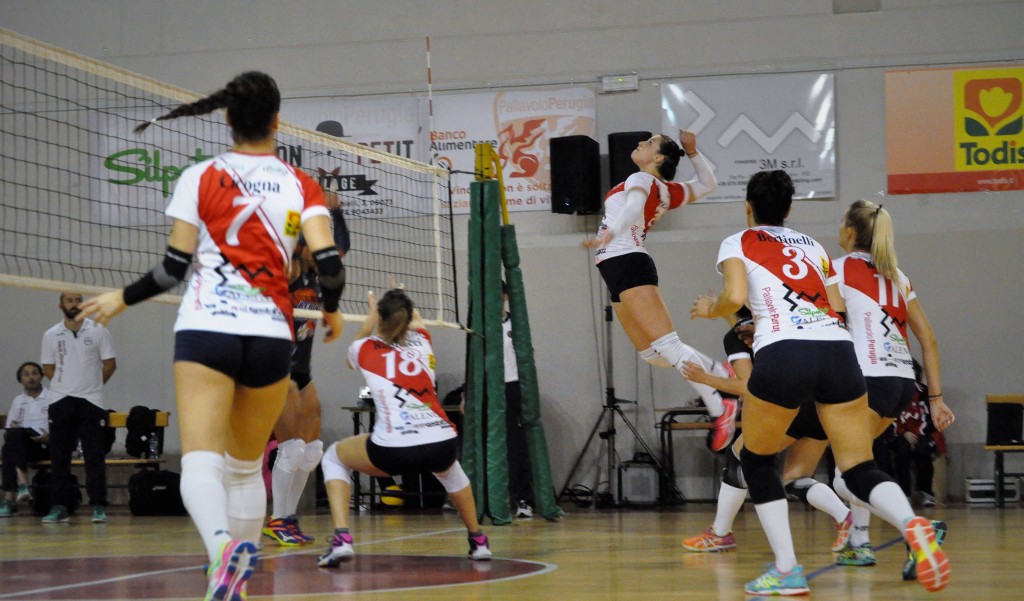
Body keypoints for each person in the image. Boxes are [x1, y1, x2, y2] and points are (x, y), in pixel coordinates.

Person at [77, 71, 345, 601]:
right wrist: (332, 310)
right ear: (277, 121)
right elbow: (330, 264)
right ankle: (234, 582)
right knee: (246, 468)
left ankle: (221, 548)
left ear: (226, 117)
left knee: (202, 460)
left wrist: (120, 298)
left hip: (207, 327)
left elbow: (172, 269)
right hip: (270, 332)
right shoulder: (301, 184)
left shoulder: (200, 176)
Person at [691, 170, 949, 595]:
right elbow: (835, 306)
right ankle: (912, 525)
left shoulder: (738, 241)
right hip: (839, 352)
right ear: (790, 208)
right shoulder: (813, 246)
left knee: (755, 459)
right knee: (859, 466)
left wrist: (711, 309)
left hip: (785, 352)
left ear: (748, 207)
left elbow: (734, 298)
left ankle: (787, 569)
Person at [582, 130, 737, 452]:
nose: (641, 143)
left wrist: (610, 233)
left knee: (669, 345)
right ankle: (717, 370)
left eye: (649, 142)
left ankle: (720, 406)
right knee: (653, 355)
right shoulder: (665, 190)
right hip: (618, 268)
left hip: (626, 261)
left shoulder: (641, 179)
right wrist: (692, 151)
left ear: (657, 158)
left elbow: (633, 207)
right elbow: (708, 183)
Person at [318, 288, 492, 567]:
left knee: (333, 456)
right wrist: (402, 297)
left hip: (394, 451)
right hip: (442, 442)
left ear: (380, 318)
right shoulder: (423, 342)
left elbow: (350, 360)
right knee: (451, 472)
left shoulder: (363, 348)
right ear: (408, 319)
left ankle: (341, 539)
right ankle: (478, 541)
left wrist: (370, 319)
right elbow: (416, 321)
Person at [830, 199, 954, 575]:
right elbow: (928, 340)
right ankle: (860, 543)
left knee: (846, 475)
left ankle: (915, 528)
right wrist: (935, 400)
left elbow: (830, 325)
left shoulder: (837, 269)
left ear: (849, 232)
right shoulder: (898, 275)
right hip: (902, 383)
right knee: (860, 462)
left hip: (866, 378)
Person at [681, 310, 853, 554]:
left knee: (740, 456)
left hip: (792, 403)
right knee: (796, 479)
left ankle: (720, 533)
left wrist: (705, 379)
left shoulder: (738, 334)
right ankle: (846, 518)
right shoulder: (791, 318)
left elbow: (746, 386)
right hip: (824, 402)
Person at [262, 186, 349, 546]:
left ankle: (288, 518)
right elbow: (285, 244)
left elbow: (338, 251)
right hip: (276, 366)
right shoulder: (292, 266)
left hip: (302, 369)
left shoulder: (320, 274)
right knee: (292, 446)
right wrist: (300, 212)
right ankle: (277, 520)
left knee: (312, 450)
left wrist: (336, 211)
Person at [39, 291, 117, 524]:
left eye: (78, 300)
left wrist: (92, 386)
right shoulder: (51, 334)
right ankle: (60, 506)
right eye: (70, 301)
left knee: (94, 455)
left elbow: (110, 365)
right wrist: (65, 385)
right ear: (61, 305)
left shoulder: (99, 330)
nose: (74, 304)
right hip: (60, 400)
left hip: (91, 401)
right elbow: (48, 368)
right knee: (59, 456)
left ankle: (98, 505)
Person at [0, 362, 53, 516]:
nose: (31, 377)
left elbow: (64, 428)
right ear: (21, 380)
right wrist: (13, 429)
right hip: (24, 447)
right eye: (26, 374)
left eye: (34, 373)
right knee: (14, 435)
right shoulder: (18, 401)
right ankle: (22, 484)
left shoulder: (52, 397)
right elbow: (8, 432)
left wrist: (49, 438)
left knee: (8, 449)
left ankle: (10, 499)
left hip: (46, 445)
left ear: (41, 377)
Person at [502, 281, 534, 519]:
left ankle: (523, 500)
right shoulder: (481, 326)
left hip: (513, 388)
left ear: (504, 297)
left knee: (516, 447)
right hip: (490, 390)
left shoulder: (516, 323)